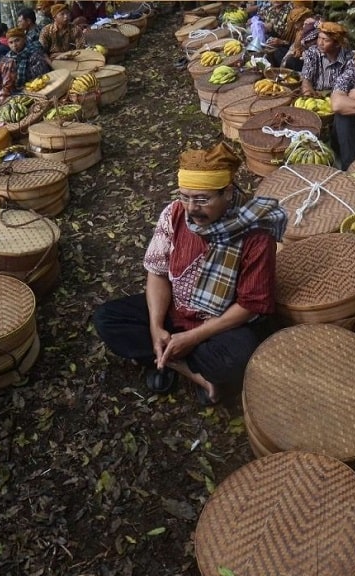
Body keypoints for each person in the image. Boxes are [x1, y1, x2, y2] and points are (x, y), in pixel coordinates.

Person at [93, 143, 287, 405]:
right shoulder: (174, 214)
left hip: (219, 324)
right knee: (107, 318)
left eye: (202, 199)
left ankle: (166, 359)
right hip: (177, 309)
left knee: (239, 355)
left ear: (228, 193)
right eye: (185, 196)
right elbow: (158, 273)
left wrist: (194, 337)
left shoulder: (255, 233)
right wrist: (156, 327)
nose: (191, 209)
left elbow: (249, 305)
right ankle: (190, 371)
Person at [299, 21, 354, 96]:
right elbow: (306, 79)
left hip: (337, 96)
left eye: (326, 40)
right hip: (315, 94)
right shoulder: (313, 52)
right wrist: (308, 96)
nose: (320, 43)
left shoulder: (349, 59)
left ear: (337, 44)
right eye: (319, 38)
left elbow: (345, 86)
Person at [278, 7, 315, 71]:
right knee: (278, 51)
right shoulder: (299, 31)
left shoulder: (312, 30)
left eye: (298, 22)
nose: (295, 26)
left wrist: (301, 52)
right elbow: (293, 47)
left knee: (292, 61)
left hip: (306, 59)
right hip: (295, 53)